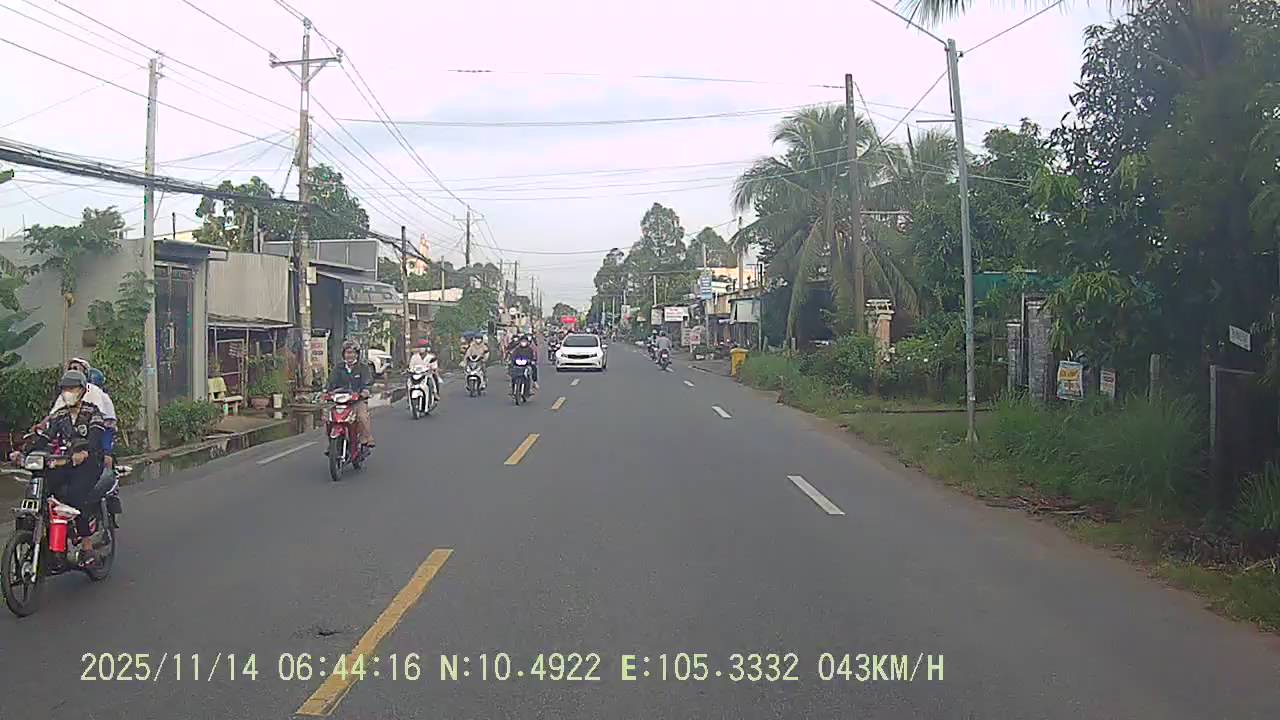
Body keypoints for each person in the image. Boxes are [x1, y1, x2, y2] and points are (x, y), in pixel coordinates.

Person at [10, 371, 107, 562]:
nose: (68, 392)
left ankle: (87, 546)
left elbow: (96, 437)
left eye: (73, 388)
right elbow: (45, 439)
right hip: (66, 463)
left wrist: (84, 451)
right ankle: (48, 535)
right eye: (65, 389)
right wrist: (23, 453)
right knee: (45, 489)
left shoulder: (92, 412)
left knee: (75, 496)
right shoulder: (59, 416)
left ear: (82, 390)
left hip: (89, 464)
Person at [327, 340, 374, 447]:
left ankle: (367, 437)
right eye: (347, 352)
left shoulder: (363, 368)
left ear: (357, 354)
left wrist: (365, 391)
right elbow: (331, 383)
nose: (350, 355)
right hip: (340, 402)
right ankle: (332, 444)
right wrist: (326, 392)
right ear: (343, 354)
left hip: (357, 401)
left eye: (352, 353)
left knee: (362, 417)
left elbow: (367, 382)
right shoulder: (338, 368)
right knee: (329, 419)